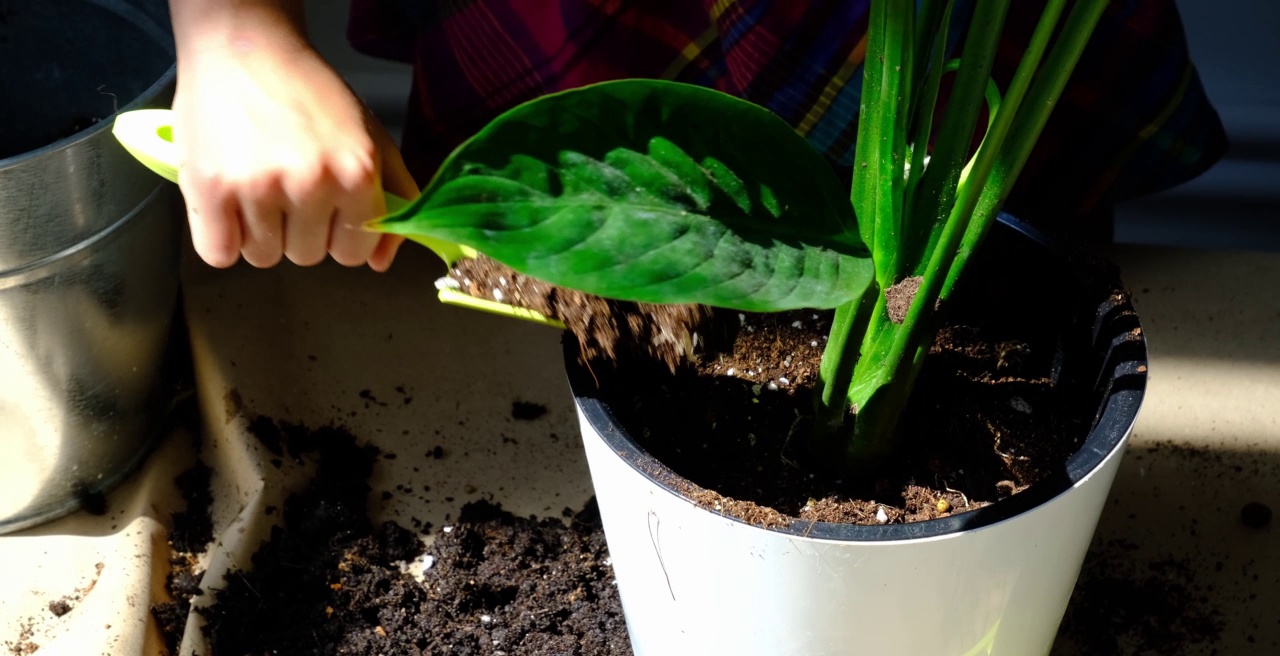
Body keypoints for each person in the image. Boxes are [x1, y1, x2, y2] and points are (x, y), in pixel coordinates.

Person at [167, 0, 1226, 272]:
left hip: (949, 49)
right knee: (543, 283)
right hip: (595, 34)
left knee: (989, 295)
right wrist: (234, 32)